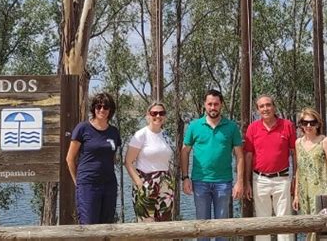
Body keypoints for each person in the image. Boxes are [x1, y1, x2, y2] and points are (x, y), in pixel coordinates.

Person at [181, 89, 244, 241]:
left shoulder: (231, 127)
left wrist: (240, 181)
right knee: (202, 229)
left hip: (223, 183)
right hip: (200, 182)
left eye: (216, 104)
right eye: (209, 104)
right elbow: (184, 152)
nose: (212, 107)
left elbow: (240, 155)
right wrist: (185, 177)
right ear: (204, 105)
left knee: (221, 229)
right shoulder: (194, 126)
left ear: (221, 105)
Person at [244, 95, 296, 241]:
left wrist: (295, 179)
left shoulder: (287, 125)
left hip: (283, 179)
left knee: (285, 222)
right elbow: (248, 155)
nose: (265, 109)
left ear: (274, 107)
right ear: (257, 109)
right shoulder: (253, 128)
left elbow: (294, 153)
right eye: (261, 106)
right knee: (262, 223)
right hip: (260, 179)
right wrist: (247, 182)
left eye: (268, 105)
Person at [66, 92, 121, 224]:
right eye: (98, 106)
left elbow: (112, 158)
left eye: (106, 107)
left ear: (111, 110)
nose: (102, 110)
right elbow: (70, 159)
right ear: (94, 109)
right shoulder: (83, 128)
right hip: (88, 185)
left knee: (107, 225)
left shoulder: (114, 132)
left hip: (109, 185)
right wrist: (78, 182)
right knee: (88, 225)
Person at [125, 101, 175, 222]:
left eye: (161, 113)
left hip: (165, 184)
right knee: (146, 226)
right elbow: (128, 162)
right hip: (146, 182)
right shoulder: (141, 135)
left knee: (165, 224)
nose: (158, 116)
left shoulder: (166, 135)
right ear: (148, 115)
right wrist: (139, 183)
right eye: (154, 113)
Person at [292, 108, 327, 240]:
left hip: (320, 192)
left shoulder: (325, 141)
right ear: (301, 125)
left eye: (312, 122)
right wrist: (296, 195)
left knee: (322, 227)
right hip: (304, 192)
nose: (309, 126)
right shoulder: (298, 143)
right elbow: (299, 169)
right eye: (305, 123)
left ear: (318, 124)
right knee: (308, 227)